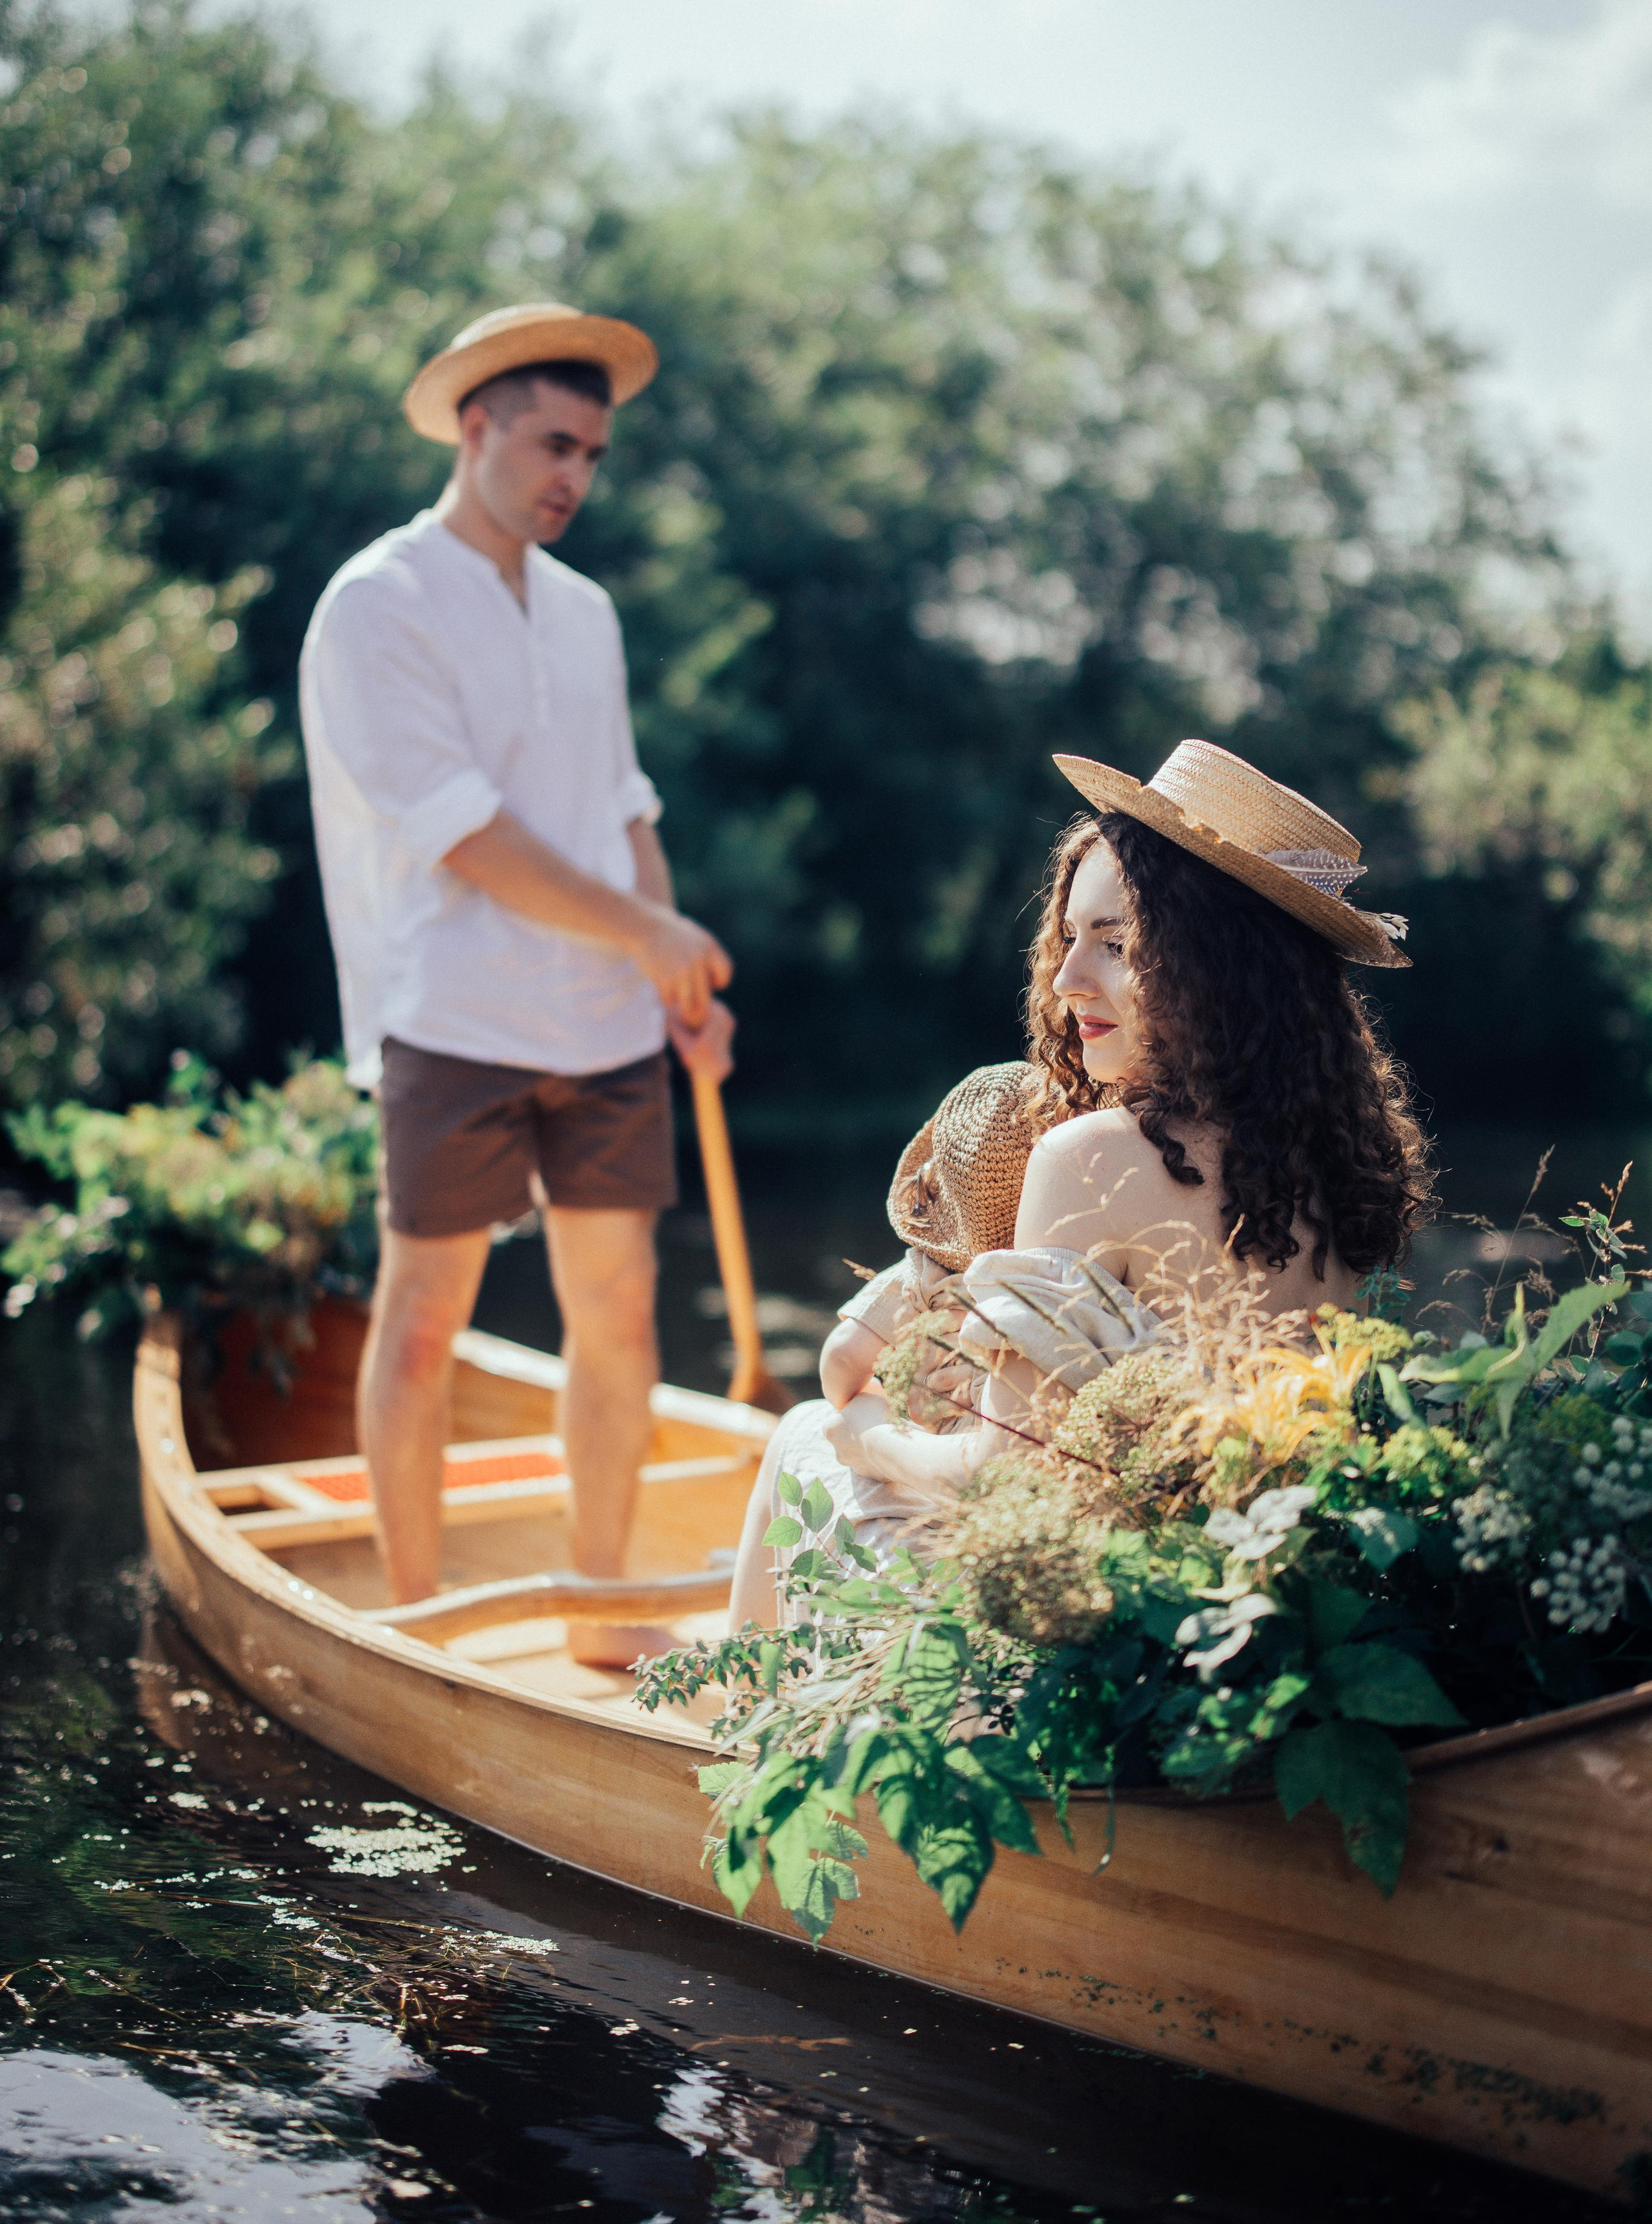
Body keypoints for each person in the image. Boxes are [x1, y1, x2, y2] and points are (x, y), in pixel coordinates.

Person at [729, 738, 1431, 1627]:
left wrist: (868, 1439)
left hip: (1091, 1618)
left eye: (1115, 943)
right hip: (1246, 1606)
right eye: (1069, 938)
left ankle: (738, 1716)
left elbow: (1007, 1479)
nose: (1066, 979)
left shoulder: (1090, 1158)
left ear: (1218, 966)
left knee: (801, 1435)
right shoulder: (1347, 1167)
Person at [300, 301, 734, 1661]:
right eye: (555, 444)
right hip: (455, 1017)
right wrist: (651, 935)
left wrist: (672, 972)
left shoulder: (587, 611)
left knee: (619, 1317)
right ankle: (415, 1622)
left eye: (593, 455)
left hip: (605, 1026)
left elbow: (623, 805)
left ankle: (601, 1606)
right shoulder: (377, 601)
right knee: (423, 1320)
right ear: (475, 425)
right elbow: (467, 833)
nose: (575, 477)